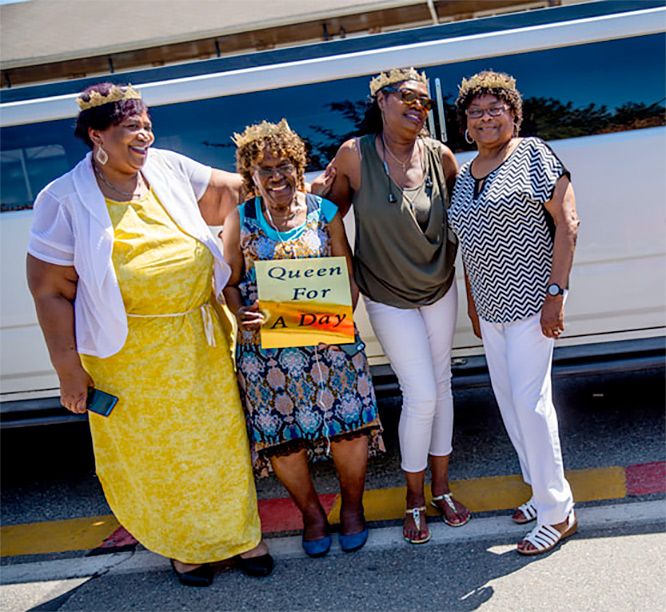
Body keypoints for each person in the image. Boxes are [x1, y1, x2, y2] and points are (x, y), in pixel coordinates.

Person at [26, 83, 273, 586]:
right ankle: (186, 548)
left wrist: (290, 178)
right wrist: (68, 370)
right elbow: (50, 290)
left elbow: (232, 191)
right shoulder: (64, 199)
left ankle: (242, 536)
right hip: (127, 354)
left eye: (146, 124)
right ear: (97, 136)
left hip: (199, 338)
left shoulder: (167, 167)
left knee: (218, 442)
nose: (144, 135)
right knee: (157, 454)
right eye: (129, 129)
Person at [312, 67, 471, 544]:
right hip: (386, 292)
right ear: (380, 101)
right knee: (420, 393)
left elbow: (470, 213)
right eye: (406, 97)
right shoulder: (355, 155)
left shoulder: (441, 156)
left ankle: (441, 490)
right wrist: (316, 195)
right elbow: (328, 216)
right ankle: (413, 496)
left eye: (423, 100)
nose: (417, 106)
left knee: (441, 386)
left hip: (439, 286)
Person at [222, 119, 383, 557]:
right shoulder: (241, 219)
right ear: (250, 176)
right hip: (267, 351)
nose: (276, 176)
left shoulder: (323, 213)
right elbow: (230, 282)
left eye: (284, 165)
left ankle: (352, 508)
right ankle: (311, 515)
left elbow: (345, 274)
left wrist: (338, 322)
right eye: (264, 169)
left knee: (349, 428)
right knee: (283, 436)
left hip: (328, 339)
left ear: (298, 166)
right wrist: (241, 312)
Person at [448, 70, 580, 556]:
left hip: (532, 303)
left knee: (530, 403)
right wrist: (474, 303)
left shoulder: (533, 153)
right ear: (465, 122)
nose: (485, 118)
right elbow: (467, 244)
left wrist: (556, 292)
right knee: (508, 403)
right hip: (493, 308)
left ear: (513, 113)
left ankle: (557, 510)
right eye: (476, 111)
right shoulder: (465, 174)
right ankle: (538, 488)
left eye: (494, 109)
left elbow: (567, 223)